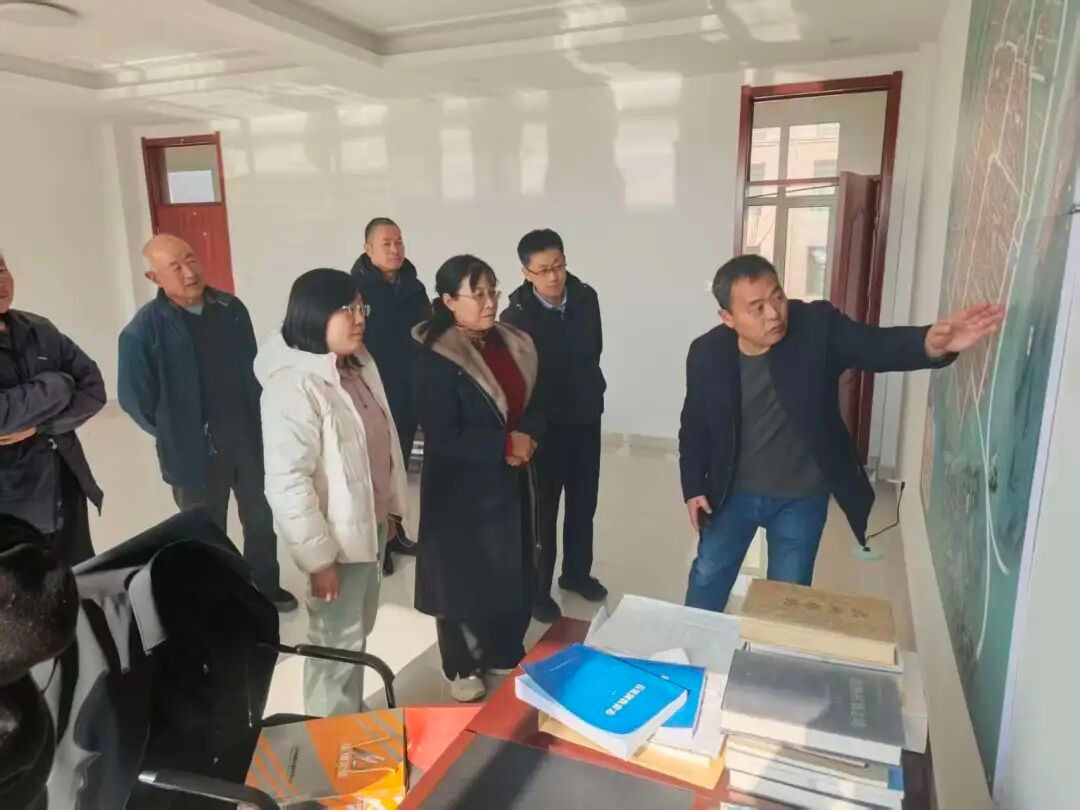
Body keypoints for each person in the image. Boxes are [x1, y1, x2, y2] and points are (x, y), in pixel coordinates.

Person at [679, 254, 1005, 613]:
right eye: (756, 308)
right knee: (708, 576)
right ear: (728, 318)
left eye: (777, 297)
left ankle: (773, 650)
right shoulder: (706, 354)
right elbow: (694, 424)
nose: (773, 314)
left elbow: (876, 346)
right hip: (731, 494)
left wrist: (931, 344)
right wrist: (693, 486)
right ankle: (693, 643)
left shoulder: (816, 327)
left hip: (800, 498)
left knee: (788, 596)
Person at [256, 269, 408, 716]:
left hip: (367, 525)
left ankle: (346, 716)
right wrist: (319, 560)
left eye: (361, 307)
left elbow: (378, 446)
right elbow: (287, 482)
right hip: (334, 543)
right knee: (335, 643)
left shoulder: (355, 366)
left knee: (355, 632)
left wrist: (389, 509)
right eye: (347, 309)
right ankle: (326, 734)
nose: (359, 318)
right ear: (313, 314)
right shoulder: (294, 386)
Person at [117, 234, 297, 611]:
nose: (189, 272)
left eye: (191, 259)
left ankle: (265, 586)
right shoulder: (142, 331)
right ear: (154, 278)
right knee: (204, 529)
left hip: (246, 437)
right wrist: (176, 430)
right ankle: (218, 602)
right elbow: (136, 400)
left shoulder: (231, 309)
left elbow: (252, 370)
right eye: (175, 267)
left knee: (260, 519)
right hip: (192, 450)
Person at [412, 255, 543, 703]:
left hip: (511, 477)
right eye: (478, 294)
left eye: (493, 291)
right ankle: (461, 662)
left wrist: (528, 438)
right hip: (460, 488)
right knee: (462, 575)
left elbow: (536, 401)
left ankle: (503, 646)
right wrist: (504, 445)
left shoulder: (512, 342)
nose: (489, 303)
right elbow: (442, 433)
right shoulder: (436, 356)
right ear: (449, 301)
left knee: (510, 564)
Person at [501, 229, 607, 623]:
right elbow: (517, 380)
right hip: (543, 427)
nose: (553, 276)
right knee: (542, 513)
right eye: (543, 270)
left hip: (585, 416)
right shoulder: (515, 317)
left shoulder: (586, 297)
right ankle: (538, 591)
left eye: (558, 265)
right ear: (526, 273)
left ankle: (576, 573)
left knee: (583, 502)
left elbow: (594, 349)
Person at [0, 252, 105, 566]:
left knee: (80, 579)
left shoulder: (39, 329)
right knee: (23, 590)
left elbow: (93, 390)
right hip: (12, 504)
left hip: (65, 483)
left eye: (1, 269)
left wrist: (39, 426)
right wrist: (58, 385)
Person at [350, 217, 431, 574]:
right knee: (375, 472)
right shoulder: (354, 291)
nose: (395, 249)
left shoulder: (414, 286)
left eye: (399, 242)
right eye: (386, 243)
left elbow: (427, 333)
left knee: (398, 469)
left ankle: (397, 535)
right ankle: (377, 543)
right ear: (367, 248)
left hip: (410, 390)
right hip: (373, 392)